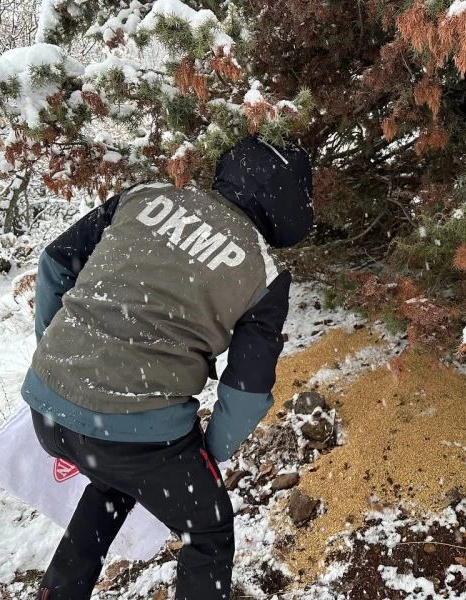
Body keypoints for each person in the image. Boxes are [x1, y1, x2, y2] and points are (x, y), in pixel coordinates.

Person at [21, 135, 313, 600]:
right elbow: (247, 392)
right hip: (140, 437)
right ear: (289, 209)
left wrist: (55, 360)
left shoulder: (144, 197)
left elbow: (55, 263)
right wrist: (208, 453)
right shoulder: (264, 270)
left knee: (112, 481)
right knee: (209, 532)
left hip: (47, 409)